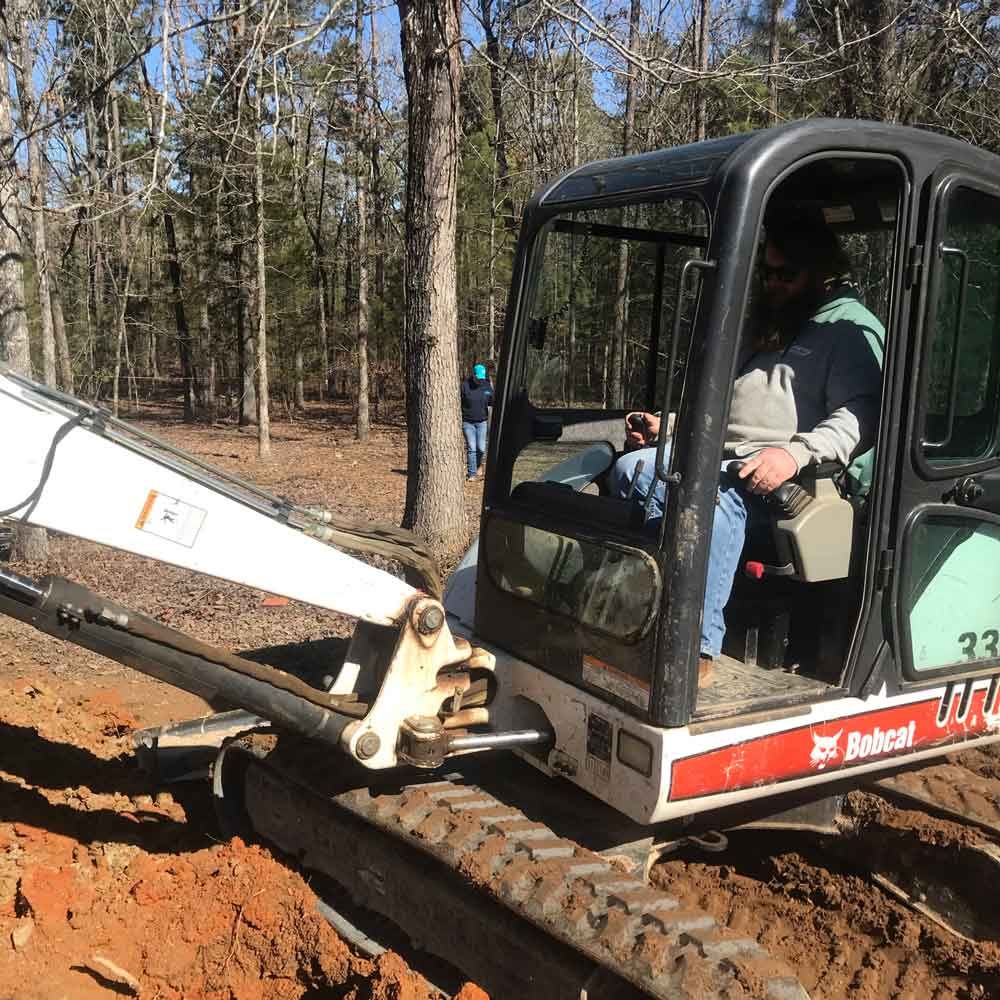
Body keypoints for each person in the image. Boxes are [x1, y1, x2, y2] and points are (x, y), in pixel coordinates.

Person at [612, 217, 884, 687]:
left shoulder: (850, 331)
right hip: (719, 457)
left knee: (705, 504)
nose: (773, 283)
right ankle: (629, 614)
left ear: (820, 272)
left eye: (786, 274)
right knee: (629, 469)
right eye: (768, 272)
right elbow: (725, 407)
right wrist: (670, 427)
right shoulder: (771, 322)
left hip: (787, 476)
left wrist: (793, 455)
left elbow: (857, 418)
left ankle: (692, 648)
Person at [461, 363, 494, 480]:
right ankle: (472, 473)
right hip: (468, 422)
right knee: (472, 448)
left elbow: (492, 400)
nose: (480, 380)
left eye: (481, 377)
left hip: (482, 422)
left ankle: (479, 465)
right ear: (473, 375)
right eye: (478, 377)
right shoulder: (465, 386)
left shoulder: (486, 385)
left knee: (481, 448)